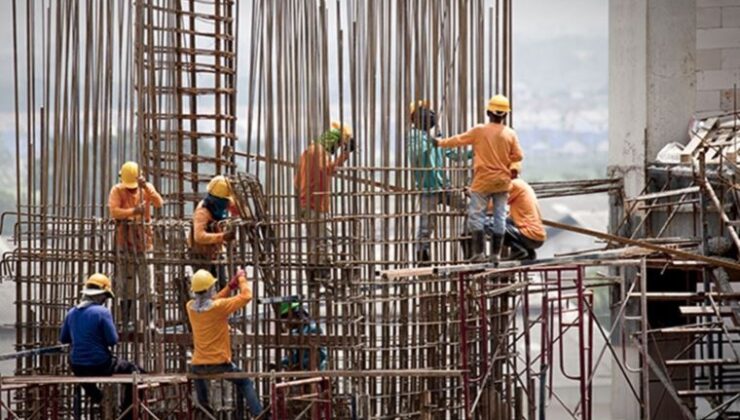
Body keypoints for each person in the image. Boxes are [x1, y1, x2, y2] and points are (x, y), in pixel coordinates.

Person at [433, 95, 524, 261]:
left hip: (482, 182)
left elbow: (458, 140)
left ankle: (479, 253)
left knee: (477, 216)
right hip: (502, 182)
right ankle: (495, 254)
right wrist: (513, 168)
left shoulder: (480, 131)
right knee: (500, 217)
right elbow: (517, 156)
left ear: (489, 112)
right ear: (505, 115)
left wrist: (439, 143)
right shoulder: (510, 134)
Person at [60, 274, 144, 420]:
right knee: (136, 372)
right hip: (100, 364)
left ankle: (98, 397)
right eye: (105, 297)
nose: (105, 300)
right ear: (100, 296)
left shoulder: (71, 313)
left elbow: (64, 338)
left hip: (77, 366)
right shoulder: (102, 312)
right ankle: (127, 416)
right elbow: (113, 340)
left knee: (83, 374)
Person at [186, 268, 264, 418]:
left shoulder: (190, 307)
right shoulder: (219, 307)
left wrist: (229, 287)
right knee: (244, 381)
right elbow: (247, 296)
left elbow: (210, 301)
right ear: (209, 288)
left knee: (196, 375)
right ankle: (260, 415)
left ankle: (205, 409)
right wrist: (241, 278)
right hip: (219, 363)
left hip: (198, 365)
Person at [407, 100, 472, 264]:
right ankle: (423, 256)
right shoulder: (413, 137)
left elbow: (456, 156)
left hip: (444, 187)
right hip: (428, 188)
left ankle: (467, 239)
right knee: (425, 227)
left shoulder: (435, 137)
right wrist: (432, 142)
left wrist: (475, 151)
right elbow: (418, 155)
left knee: (471, 209)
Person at [294, 121, 354, 281]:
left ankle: (314, 274)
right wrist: (345, 155)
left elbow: (297, 180)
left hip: (306, 203)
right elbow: (328, 170)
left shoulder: (309, 151)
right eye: (339, 144)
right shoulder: (319, 152)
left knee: (314, 240)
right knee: (321, 240)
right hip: (316, 204)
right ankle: (322, 273)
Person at [108, 161, 163, 329]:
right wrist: (133, 212)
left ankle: (149, 321)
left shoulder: (145, 189)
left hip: (144, 242)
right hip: (124, 242)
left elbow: (159, 202)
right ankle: (126, 321)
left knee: (147, 283)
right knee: (126, 283)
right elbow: (114, 211)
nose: (132, 189)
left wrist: (146, 187)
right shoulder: (117, 190)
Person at [189, 175, 239, 292]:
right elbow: (199, 236)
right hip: (200, 253)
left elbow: (237, 208)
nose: (226, 204)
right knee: (206, 289)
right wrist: (222, 236)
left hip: (215, 251)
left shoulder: (221, 202)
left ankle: (221, 307)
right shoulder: (203, 211)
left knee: (222, 285)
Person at [485, 179, 546, 260]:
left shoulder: (514, 185)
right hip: (536, 236)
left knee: (486, 223)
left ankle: (518, 249)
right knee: (506, 221)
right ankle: (528, 252)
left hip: (529, 235)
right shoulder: (523, 185)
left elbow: (492, 206)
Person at [277, 302, 328, 371]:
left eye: (286, 318)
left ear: (296, 315)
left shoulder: (312, 329)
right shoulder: (296, 331)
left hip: (315, 370)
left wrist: (301, 364)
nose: (285, 323)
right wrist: (282, 363)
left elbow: (320, 356)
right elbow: (295, 355)